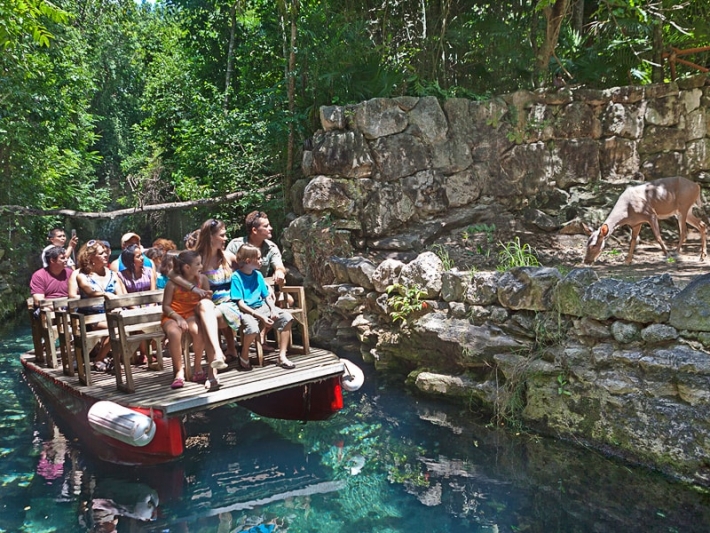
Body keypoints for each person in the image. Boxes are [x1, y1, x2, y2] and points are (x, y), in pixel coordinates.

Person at [170, 219, 238, 368]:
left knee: (210, 315)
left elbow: (249, 270)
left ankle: (215, 360)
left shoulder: (228, 257)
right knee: (206, 309)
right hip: (201, 304)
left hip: (227, 304)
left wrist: (265, 284)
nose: (226, 238)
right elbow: (173, 275)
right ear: (210, 237)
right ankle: (216, 356)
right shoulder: (196, 258)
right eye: (222, 235)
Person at [231, 244, 295, 370]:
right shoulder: (236, 277)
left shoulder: (258, 275)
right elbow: (240, 303)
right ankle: (244, 354)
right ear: (248, 261)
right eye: (259, 258)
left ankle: (282, 356)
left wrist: (272, 309)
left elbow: (266, 296)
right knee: (253, 328)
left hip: (262, 307)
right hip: (247, 311)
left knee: (287, 318)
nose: (262, 261)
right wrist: (259, 316)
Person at [161, 251, 214, 390]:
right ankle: (179, 371)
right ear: (187, 267)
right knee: (174, 332)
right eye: (198, 264)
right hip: (173, 314)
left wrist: (208, 296)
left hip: (191, 313)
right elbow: (165, 306)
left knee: (198, 331)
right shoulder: (172, 284)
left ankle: (197, 367)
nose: (201, 266)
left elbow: (207, 301)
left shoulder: (202, 280)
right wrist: (177, 317)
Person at [70, 240, 127, 369]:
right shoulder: (82, 275)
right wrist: (104, 294)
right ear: (90, 257)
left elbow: (120, 295)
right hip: (90, 318)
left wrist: (119, 305)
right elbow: (89, 291)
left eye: (106, 253)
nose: (106, 255)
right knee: (116, 329)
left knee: (126, 325)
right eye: (101, 253)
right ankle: (100, 359)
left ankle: (116, 359)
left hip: (111, 314)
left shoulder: (113, 274)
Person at [226, 211, 287, 286]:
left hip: (261, 287)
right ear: (254, 230)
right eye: (266, 226)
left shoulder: (271, 247)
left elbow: (279, 266)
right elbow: (225, 268)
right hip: (238, 287)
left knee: (289, 298)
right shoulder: (235, 245)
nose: (270, 228)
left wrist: (279, 272)